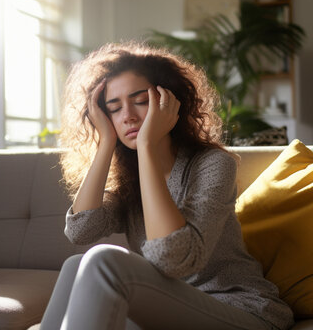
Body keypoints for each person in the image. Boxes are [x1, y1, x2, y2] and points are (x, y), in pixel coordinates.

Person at [40, 42, 294, 330]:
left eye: (140, 100)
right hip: (172, 309)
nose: (128, 116)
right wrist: (106, 144)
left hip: (239, 310)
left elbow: (174, 260)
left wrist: (146, 145)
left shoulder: (212, 164)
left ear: (169, 102)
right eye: (114, 108)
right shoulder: (129, 179)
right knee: (76, 266)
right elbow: (80, 230)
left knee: (104, 261)